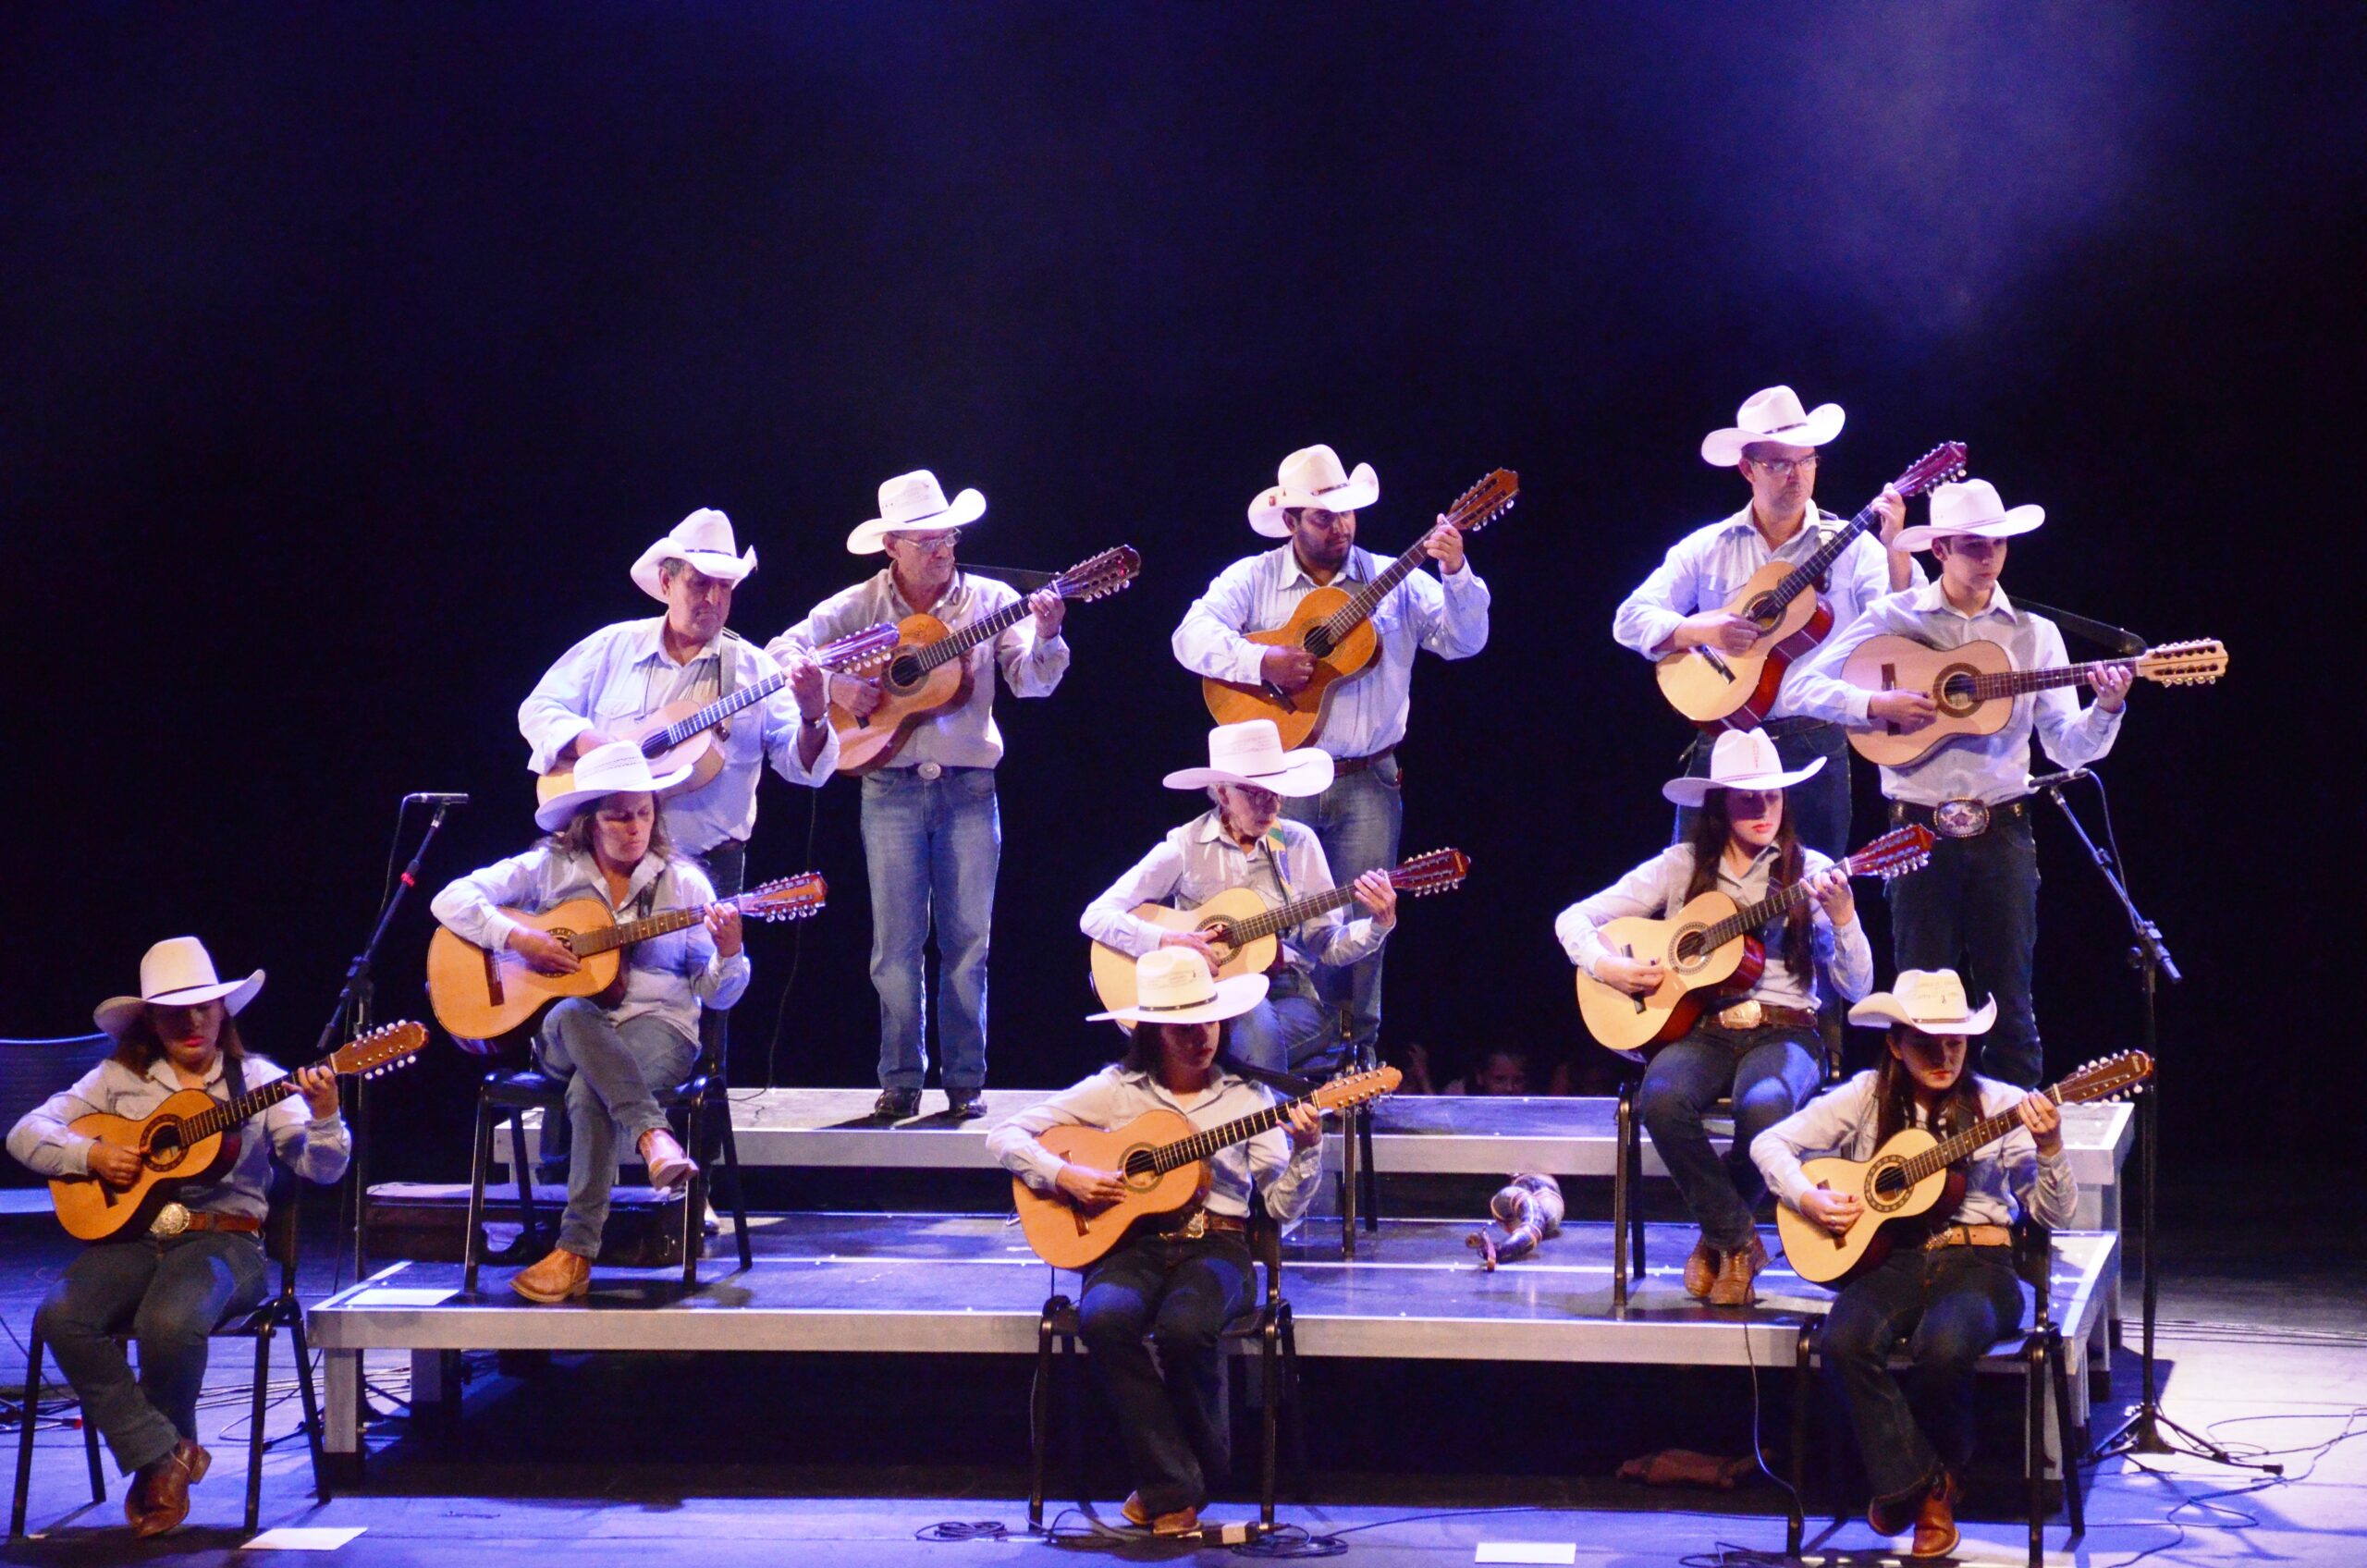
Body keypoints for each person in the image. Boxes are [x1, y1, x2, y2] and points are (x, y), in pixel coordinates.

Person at [1786, 479, 2129, 1087]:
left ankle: (2020, 1153)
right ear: (1940, 550)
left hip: (2003, 828)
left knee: (2011, 1006)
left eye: (1997, 545)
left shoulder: (2034, 633)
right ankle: (1923, 1154)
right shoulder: (1893, 617)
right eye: (1973, 546)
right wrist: (1874, 702)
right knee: (1920, 1006)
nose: (1989, 557)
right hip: (1915, 832)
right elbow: (1801, 687)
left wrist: (2105, 708)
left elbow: (2065, 745)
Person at [8, 937, 349, 1537]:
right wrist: (90, 1152)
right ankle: (163, 1455)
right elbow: (24, 1133)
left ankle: (154, 1469)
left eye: (203, 1008)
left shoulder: (260, 1081)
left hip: (226, 1245)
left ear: (223, 1012)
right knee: (60, 1316)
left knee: (168, 1321)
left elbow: (321, 1170)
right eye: (174, 1012)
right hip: (131, 1241)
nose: (192, 1022)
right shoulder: (115, 1080)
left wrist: (324, 1116)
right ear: (151, 1021)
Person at [518, 508, 834, 1139]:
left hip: (703, 866)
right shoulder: (614, 647)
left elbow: (804, 769)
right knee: (580, 1005)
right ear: (667, 581)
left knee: (703, 1029)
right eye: (699, 583)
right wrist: (597, 746)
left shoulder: (752, 671)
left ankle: (694, 1194)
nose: (713, 599)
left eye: (725, 587)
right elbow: (539, 707)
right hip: (600, 869)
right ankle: (561, 1190)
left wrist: (814, 715)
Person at [987, 949, 1326, 1537]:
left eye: (1209, 1022)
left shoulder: (1251, 1098)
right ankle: (1182, 1483)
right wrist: (1065, 1175)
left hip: (1217, 1248)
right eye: (1183, 1027)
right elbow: (1005, 1133)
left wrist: (1307, 1151)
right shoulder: (1116, 1091)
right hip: (1129, 1245)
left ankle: (1172, 1487)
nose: (1201, 1037)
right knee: (1104, 1318)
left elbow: (1276, 1209)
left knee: (1184, 1327)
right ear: (1153, 1031)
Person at [1172, 443, 1490, 1068]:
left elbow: (1465, 641)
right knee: (1279, 921)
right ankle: (1287, 1049)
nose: (1341, 526)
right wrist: (1262, 660)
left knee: (1365, 916)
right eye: (1323, 517)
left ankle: (1357, 1055)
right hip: (1279, 781)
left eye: (1346, 514)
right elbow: (1190, 637)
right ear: (1290, 521)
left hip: (1367, 776)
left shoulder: (1390, 579)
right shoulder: (1254, 578)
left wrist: (1457, 573)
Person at [770, 471, 1070, 1121]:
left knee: (969, 944)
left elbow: (1031, 682)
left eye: (949, 537)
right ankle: (900, 1079)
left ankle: (966, 1082)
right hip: (887, 785)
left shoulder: (990, 600)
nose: (943, 550)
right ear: (893, 547)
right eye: (926, 540)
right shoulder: (858, 607)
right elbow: (779, 653)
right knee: (896, 946)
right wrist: (837, 687)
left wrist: (1046, 634)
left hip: (969, 788)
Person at [1752, 968, 2077, 1558]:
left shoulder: (2002, 1105)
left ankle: (1914, 1489)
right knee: (1844, 1342)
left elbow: (2054, 1216)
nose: (1945, 1055)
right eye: (1927, 1042)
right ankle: (1928, 1487)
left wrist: (2051, 1148)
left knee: (1944, 1346)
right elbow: (1767, 1143)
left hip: (1981, 1266)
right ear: (1896, 1046)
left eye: (1956, 1042)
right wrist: (1808, 1196)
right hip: (1891, 1262)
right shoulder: (1862, 1097)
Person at [1555, 729, 1873, 1305]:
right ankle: (1737, 1237)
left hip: (1787, 1030)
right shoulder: (1681, 866)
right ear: (1720, 803)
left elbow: (1859, 986)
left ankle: (1716, 1243)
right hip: (1703, 1028)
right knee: (1661, 1099)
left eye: (1772, 796)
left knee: (1764, 1108)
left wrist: (1845, 917)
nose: (1761, 809)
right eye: (1746, 797)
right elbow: (1574, 918)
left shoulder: (1813, 870)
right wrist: (1608, 967)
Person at [430, 741, 744, 1303]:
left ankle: (574, 1254)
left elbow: (714, 996)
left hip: (659, 1028)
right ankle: (654, 1137)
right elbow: (451, 900)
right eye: (618, 815)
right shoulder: (548, 869)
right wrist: (519, 937)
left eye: (644, 812)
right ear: (587, 820)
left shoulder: (686, 887)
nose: (634, 827)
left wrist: (732, 953)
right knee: (575, 1010)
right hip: (565, 1034)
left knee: (588, 1094)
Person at [1613, 386, 1915, 859]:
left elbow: (1902, 633)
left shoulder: (1854, 547)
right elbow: (1629, 619)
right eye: (1778, 463)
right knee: (1701, 897)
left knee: (1809, 900)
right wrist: (1704, 630)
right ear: (1747, 468)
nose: (1795, 475)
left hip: (1813, 742)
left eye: (1806, 460)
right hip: (1725, 740)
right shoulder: (1709, 545)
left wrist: (1897, 547)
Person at [1082, 719, 1399, 1076]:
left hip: (1286, 990)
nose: (1271, 805)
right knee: (1258, 1035)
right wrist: (1165, 939)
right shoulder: (1185, 846)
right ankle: (1270, 1121)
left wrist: (1377, 925)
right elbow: (1096, 915)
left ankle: (1208, 1066)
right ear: (1222, 793)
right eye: (1255, 793)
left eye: (1275, 792)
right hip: (1206, 992)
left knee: (1295, 1029)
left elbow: (1326, 943)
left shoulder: (1298, 842)